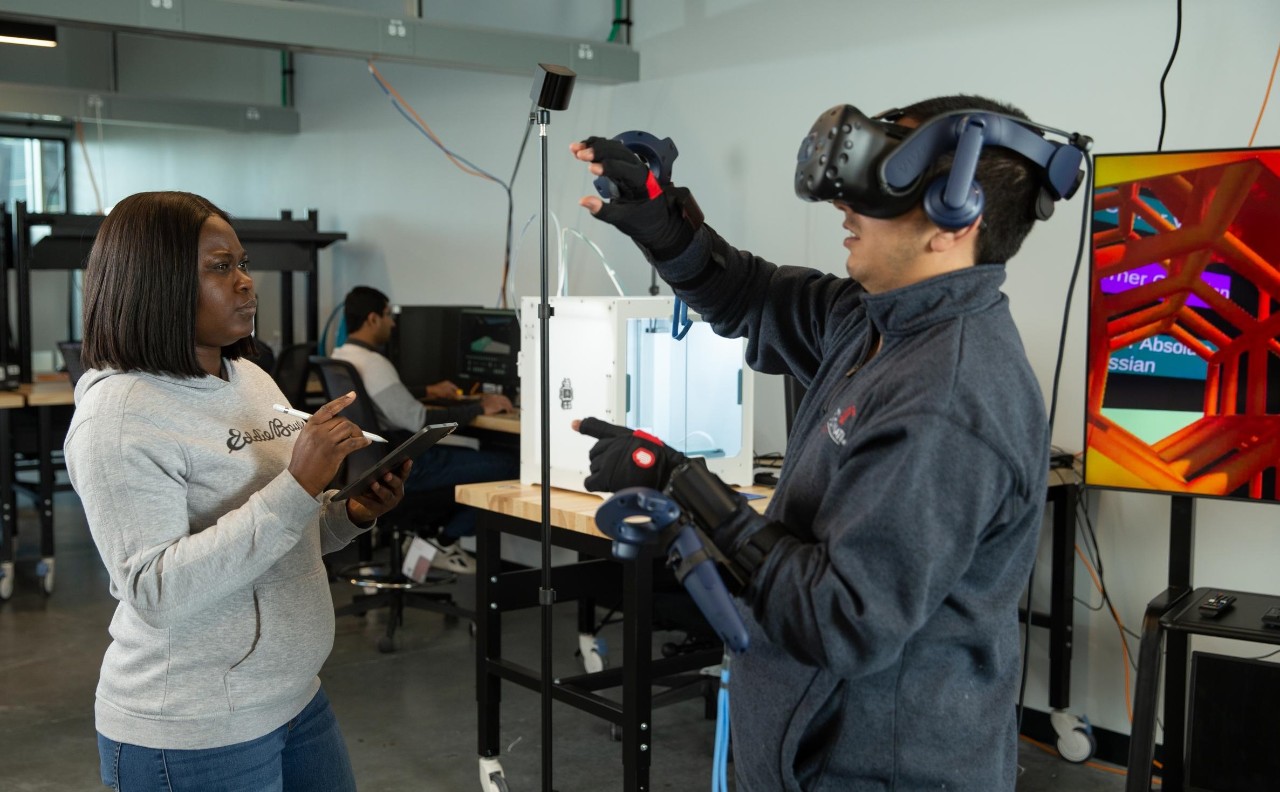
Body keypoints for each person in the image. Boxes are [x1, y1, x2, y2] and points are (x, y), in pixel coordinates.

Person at [569, 95, 1069, 790]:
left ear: (955, 217)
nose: (845, 207)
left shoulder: (949, 397)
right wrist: (664, 222)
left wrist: (679, 483)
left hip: (875, 773)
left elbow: (841, 620)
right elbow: (751, 295)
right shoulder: (874, 321)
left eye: (882, 187)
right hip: (806, 753)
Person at [64, 191, 409, 791]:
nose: (246, 282)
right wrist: (298, 484)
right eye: (221, 267)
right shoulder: (118, 417)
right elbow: (154, 590)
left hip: (294, 698)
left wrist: (347, 513)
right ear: (157, 282)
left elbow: (283, 532)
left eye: (242, 263)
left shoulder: (249, 379)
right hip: (193, 730)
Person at [333, 286, 518, 573]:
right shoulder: (374, 363)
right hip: (407, 468)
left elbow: (380, 399)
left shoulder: (342, 356)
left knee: (489, 463)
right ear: (372, 319)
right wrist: (480, 408)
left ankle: (432, 541)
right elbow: (418, 419)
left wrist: (426, 390)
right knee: (511, 467)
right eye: (388, 316)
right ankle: (442, 541)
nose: (393, 323)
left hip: (369, 466)